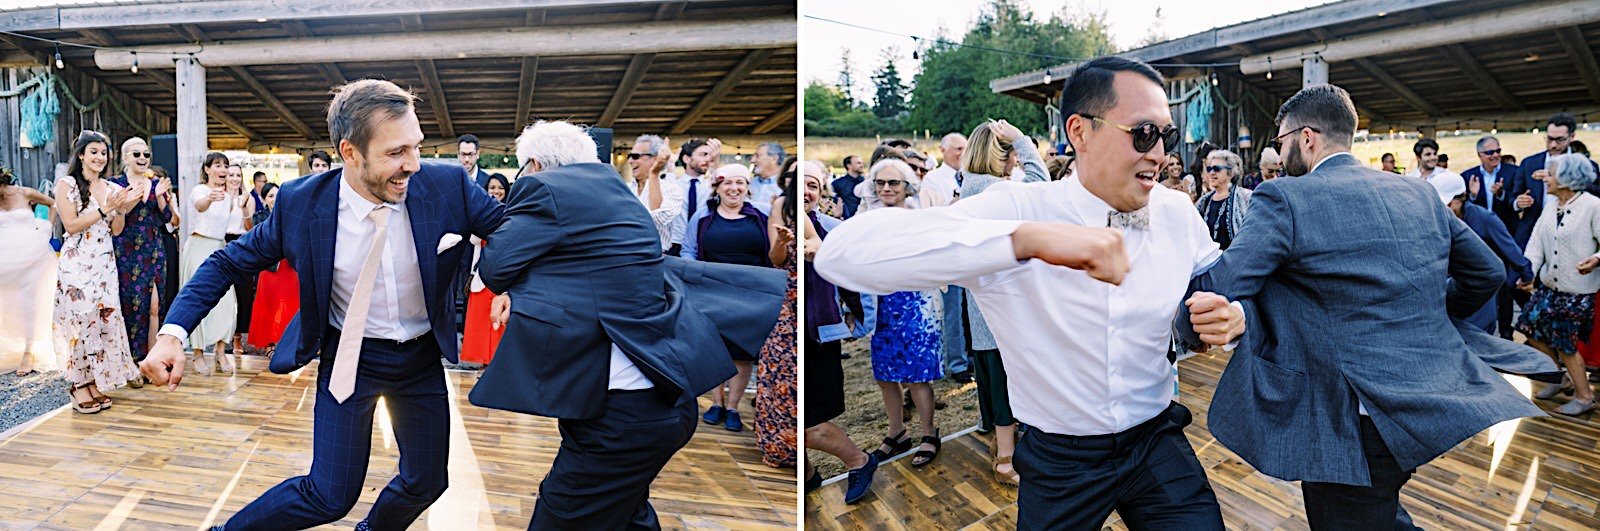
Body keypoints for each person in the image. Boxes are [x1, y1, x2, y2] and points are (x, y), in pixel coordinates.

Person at [819, 56, 1241, 529]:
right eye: (1143, 134)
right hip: (1062, 456)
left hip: (1156, 436)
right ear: (1080, 132)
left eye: (1166, 136)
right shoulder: (1017, 208)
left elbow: (1213, 288)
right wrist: (1027, 242)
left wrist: (1231, 318)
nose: (1159, 153)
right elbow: (842, 255)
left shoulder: (1177, 212)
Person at [1181, 83, 1551, 529]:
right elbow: (1487, 273)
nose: (1280, 156)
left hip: (1346, 416)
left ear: (1307, 137)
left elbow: (1222, 284)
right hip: (1427, 397)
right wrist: (1430, 315)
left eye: (1281, 142)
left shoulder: (1285, 198)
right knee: (1379, 507)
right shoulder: (1417, 194)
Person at [143, 79, 507, 530]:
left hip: (420, 359)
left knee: (428, 480)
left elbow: (511, 232)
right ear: (349, 152)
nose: (412, 164)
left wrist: (504, 281)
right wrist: (172, 335)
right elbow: (226, 263)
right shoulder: (302, 204)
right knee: (329, 495)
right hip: (349, 357)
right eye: (396, 153)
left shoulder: (447, 184)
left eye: (416, 146)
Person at [470, 119, 785, 529]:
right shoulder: (617, 193)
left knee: (559, 517)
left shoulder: (546, 188)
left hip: (621, 416)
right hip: (665, 398)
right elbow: (587, 271)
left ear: (534, 165)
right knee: (628, 515)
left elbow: (496, 267)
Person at [958, 119, 1049, 486]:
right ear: (1002, 154)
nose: (1015, 161)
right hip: (1001, 305)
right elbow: (1041, 184)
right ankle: (1005, 459)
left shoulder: (970, 188)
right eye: (1011, 154)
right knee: (1005, 382)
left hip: (981, 303)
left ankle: (1007, 450)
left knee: (994, 380)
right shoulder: (997, 191)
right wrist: (1024, 141)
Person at [856, 157, 947, 468]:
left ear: (908, 187)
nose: (886, 188)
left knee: (918, 375)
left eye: (893, 182)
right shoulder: (867, 217)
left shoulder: (920, 218)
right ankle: (896, 432)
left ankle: (929, 433)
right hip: (882, 303)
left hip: (916, 302)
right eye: (880, 182)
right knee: (884, 374)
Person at [800, 160, 879, 502]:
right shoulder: (772, 223)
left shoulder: (833, 228)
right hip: (779, 336)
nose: (805, 191)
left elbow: (857, 279)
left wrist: (855, 318)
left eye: (813, 186)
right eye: (800, 184)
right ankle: (807, 475)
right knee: (787, 414)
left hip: (817, 337)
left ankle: (860, 461)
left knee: (808, 423)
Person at [54, 130, 142, 414]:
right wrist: (106, 209)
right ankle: (77, 384)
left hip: (104, 262)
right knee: (80, 319)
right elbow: (71, 225)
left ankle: (93, 381)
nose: (100, 157)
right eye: (93, 152)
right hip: (76, 261)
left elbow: (116, 230)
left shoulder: (112, 188)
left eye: (103, 153)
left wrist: (123, 209)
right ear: (81, 155)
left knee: (101, 320)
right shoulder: (66, 184)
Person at [685, 163, 770, 432]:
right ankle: (716, 402)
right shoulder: (702, 216)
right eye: (727, 183)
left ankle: (733, 406)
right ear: (717, 187)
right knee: (713, 349)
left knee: (742, 353)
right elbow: (689, 250)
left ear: (747, 187)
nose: (734, 188)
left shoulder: (762, 214)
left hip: (750, 293)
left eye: (740, 183)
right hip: (711, 291)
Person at [1518, 154, 1600, 415]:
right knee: (1528, 328)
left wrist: (1596, 259)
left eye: (1551, 174)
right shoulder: (1551, 206)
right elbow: (1535, 244)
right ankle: (1561, 375)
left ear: (1567, 178)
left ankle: (1585, 396)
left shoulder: (1592, 206)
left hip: (1577, 290)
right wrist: (1527, 271)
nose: (1546, 179)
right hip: (1548, 287)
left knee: (1566, 345)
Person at [1425, 173, 1531, 336]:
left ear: (1462, 198)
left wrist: (1526, 275)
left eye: (1447, 203)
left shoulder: (1483, 218)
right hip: (1448, 293)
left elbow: (1509, 247)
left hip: (1479, 293)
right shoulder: (1434, 219)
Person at [109, 136, 173, 387]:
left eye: (146, 155)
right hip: (126, 251)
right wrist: (139, 194)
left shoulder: (155, 183)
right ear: (126, 158)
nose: (143, 159)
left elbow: (167, 218)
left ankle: (151, 361)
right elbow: (117, 215)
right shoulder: (116, 184)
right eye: (137, 155)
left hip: (154, 249)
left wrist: (158, 196)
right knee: (131, 308)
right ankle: (131, 362)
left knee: (155, 305)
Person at [756, 157, 799, 468]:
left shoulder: (824, 214)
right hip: (788, 299)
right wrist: (783, 242)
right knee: (781, 370)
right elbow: (775, 259)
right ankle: (780, 446)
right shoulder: (782, 206)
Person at [181, 154, 238, 375]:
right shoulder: (201, 191)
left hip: (219, 247)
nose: (222, 169)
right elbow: (200, 206)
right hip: (198, 246)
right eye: (217, 165)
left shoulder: (229, 196)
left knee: (226, 301)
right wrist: (210, 198)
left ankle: (221, 352)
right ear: (207, 169)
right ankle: (197, 353)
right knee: (198, 299)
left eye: (225, 165)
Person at [0, 166, 56, 376]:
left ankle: (28, 350)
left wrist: (47, 229)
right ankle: (8, 344)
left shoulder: (24, 192)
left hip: (32, 252)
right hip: (4, 257)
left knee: (28, 300)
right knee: (6, 302)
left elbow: (53, 204)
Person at [460, 174, 510, 365]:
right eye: (492, 188)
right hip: (481, 276)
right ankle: (482, 361)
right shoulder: (479, 214)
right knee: (481, 322)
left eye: (500, 188)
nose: (496, 191)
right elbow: (473, 242)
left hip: (503, 277)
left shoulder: (512, 215)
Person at [246, 183, 298, 354]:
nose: (274, 199)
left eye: (277, 195)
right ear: (264, 199)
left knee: (290, 304)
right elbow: (259, 239)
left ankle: (288, 342)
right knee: (269, 304)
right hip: (269, 267)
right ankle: (270, 344)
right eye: (270, 196)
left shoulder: (292, 216)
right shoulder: (260, 217)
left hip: (288, 266)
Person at [628, 134, 686, 251]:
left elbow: (659, 218)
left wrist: (653, 174)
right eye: (629, 156)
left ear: (655, 158)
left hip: (657, 258)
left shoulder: (672, 190)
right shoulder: (625, 189)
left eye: (635, 156)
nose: (630, 161)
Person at [665, 137, 720, 256]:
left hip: (704, 244)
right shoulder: (673, 184)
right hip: (675, 246)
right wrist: (670, 165)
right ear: (686, 159)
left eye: (710, 155)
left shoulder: (711, 186)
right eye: (703, 154)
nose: (708, 159)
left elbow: (720, 185)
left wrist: (715, 164)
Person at [224, 164, 257, 362]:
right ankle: (221, 336)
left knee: (243, 293)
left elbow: (250, 226)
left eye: (238, 175)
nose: (235, 178)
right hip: (222, 242)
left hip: (241, 241)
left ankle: (237, 337)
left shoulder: (247, 198)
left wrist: (244, 208)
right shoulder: (218, 196)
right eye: (231, 175)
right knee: (224, 295)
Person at [1195, 149, 1251, 250]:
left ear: (1231, 173)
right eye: (1209, 169)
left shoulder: (1245, 197)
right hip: (1209, 262)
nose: (1212, 173)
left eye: (1217, 168)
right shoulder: (1203, 202)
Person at [921, 132, 968, 208]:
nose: (964, 154)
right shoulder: (930, 179)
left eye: (967, 149)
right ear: (942, 150)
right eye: (959, 149)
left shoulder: (972, 176)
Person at [749, 142, 785, 206]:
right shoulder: (749, 184)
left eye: (757, 156)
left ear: (774, 158)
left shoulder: (787, 187)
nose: (752, 160)